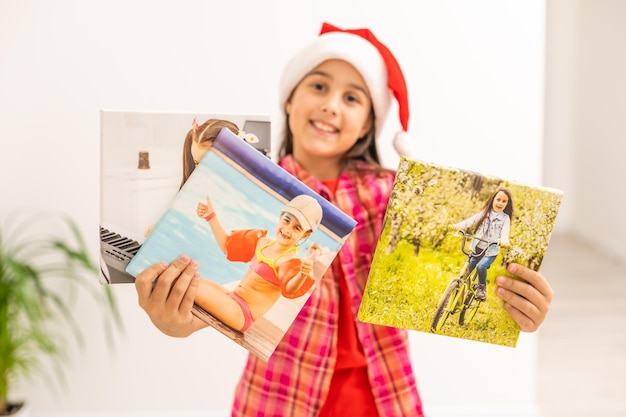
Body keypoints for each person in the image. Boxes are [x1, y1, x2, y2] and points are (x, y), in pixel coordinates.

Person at [135, 22, 555, 416]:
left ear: (370, 122)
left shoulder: (394, 195)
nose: (331, 105)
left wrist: (513, 308)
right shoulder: (255, 191)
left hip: (382, 395)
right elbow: (220, 262)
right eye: (319, 86)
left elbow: (445, 270)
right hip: (279, 395)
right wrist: (175, 321)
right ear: (289, 98)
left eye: (352, 97)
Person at [193, 194, 323, 332]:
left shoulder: (287, 261)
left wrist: (302, 274)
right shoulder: (262, 242)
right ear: (280, 217)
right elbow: (227, 246)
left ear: (305, 235)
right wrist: (211, 216)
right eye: (286, 221)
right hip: (231, 297)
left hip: (242, 314)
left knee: (188, 285)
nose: (288, 229)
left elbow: (290, 289)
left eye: (297, 228)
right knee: (188, 277)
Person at [451, 186, 514, 301]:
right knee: (466, 274)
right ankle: (452, 299)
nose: (500, 203)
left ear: (507, 204)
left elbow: (505, 233)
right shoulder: (485, 213)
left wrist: (504, 241)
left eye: (504, 201)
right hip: (477, 249)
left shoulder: (505, 218)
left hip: (490, 251)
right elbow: (470, 221)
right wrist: (458, 226)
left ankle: (481, 287)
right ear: (493, 199)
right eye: (498, 199)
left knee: (481, 266)